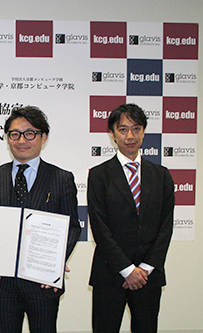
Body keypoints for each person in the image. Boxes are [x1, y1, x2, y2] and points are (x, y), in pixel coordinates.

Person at [0, 106, 81, 333]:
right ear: (7, 139)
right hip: (3, 283)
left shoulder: (62, 178)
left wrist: (55, 263)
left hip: (43, 284)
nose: (21, 140)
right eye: (14, 134)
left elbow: (72, 227)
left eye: (30, 133)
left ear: (43, 137)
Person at [87, 103, 175, 332]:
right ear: (112, 134)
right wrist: (127, 269)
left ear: (144, 132)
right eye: (123, 129)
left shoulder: (162, 176)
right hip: (110, 274)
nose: (130, 136)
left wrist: (144, 269)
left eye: (136, 129)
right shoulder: (99, 175)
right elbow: (100, 227)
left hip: (149, 276)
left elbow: (166, 228)